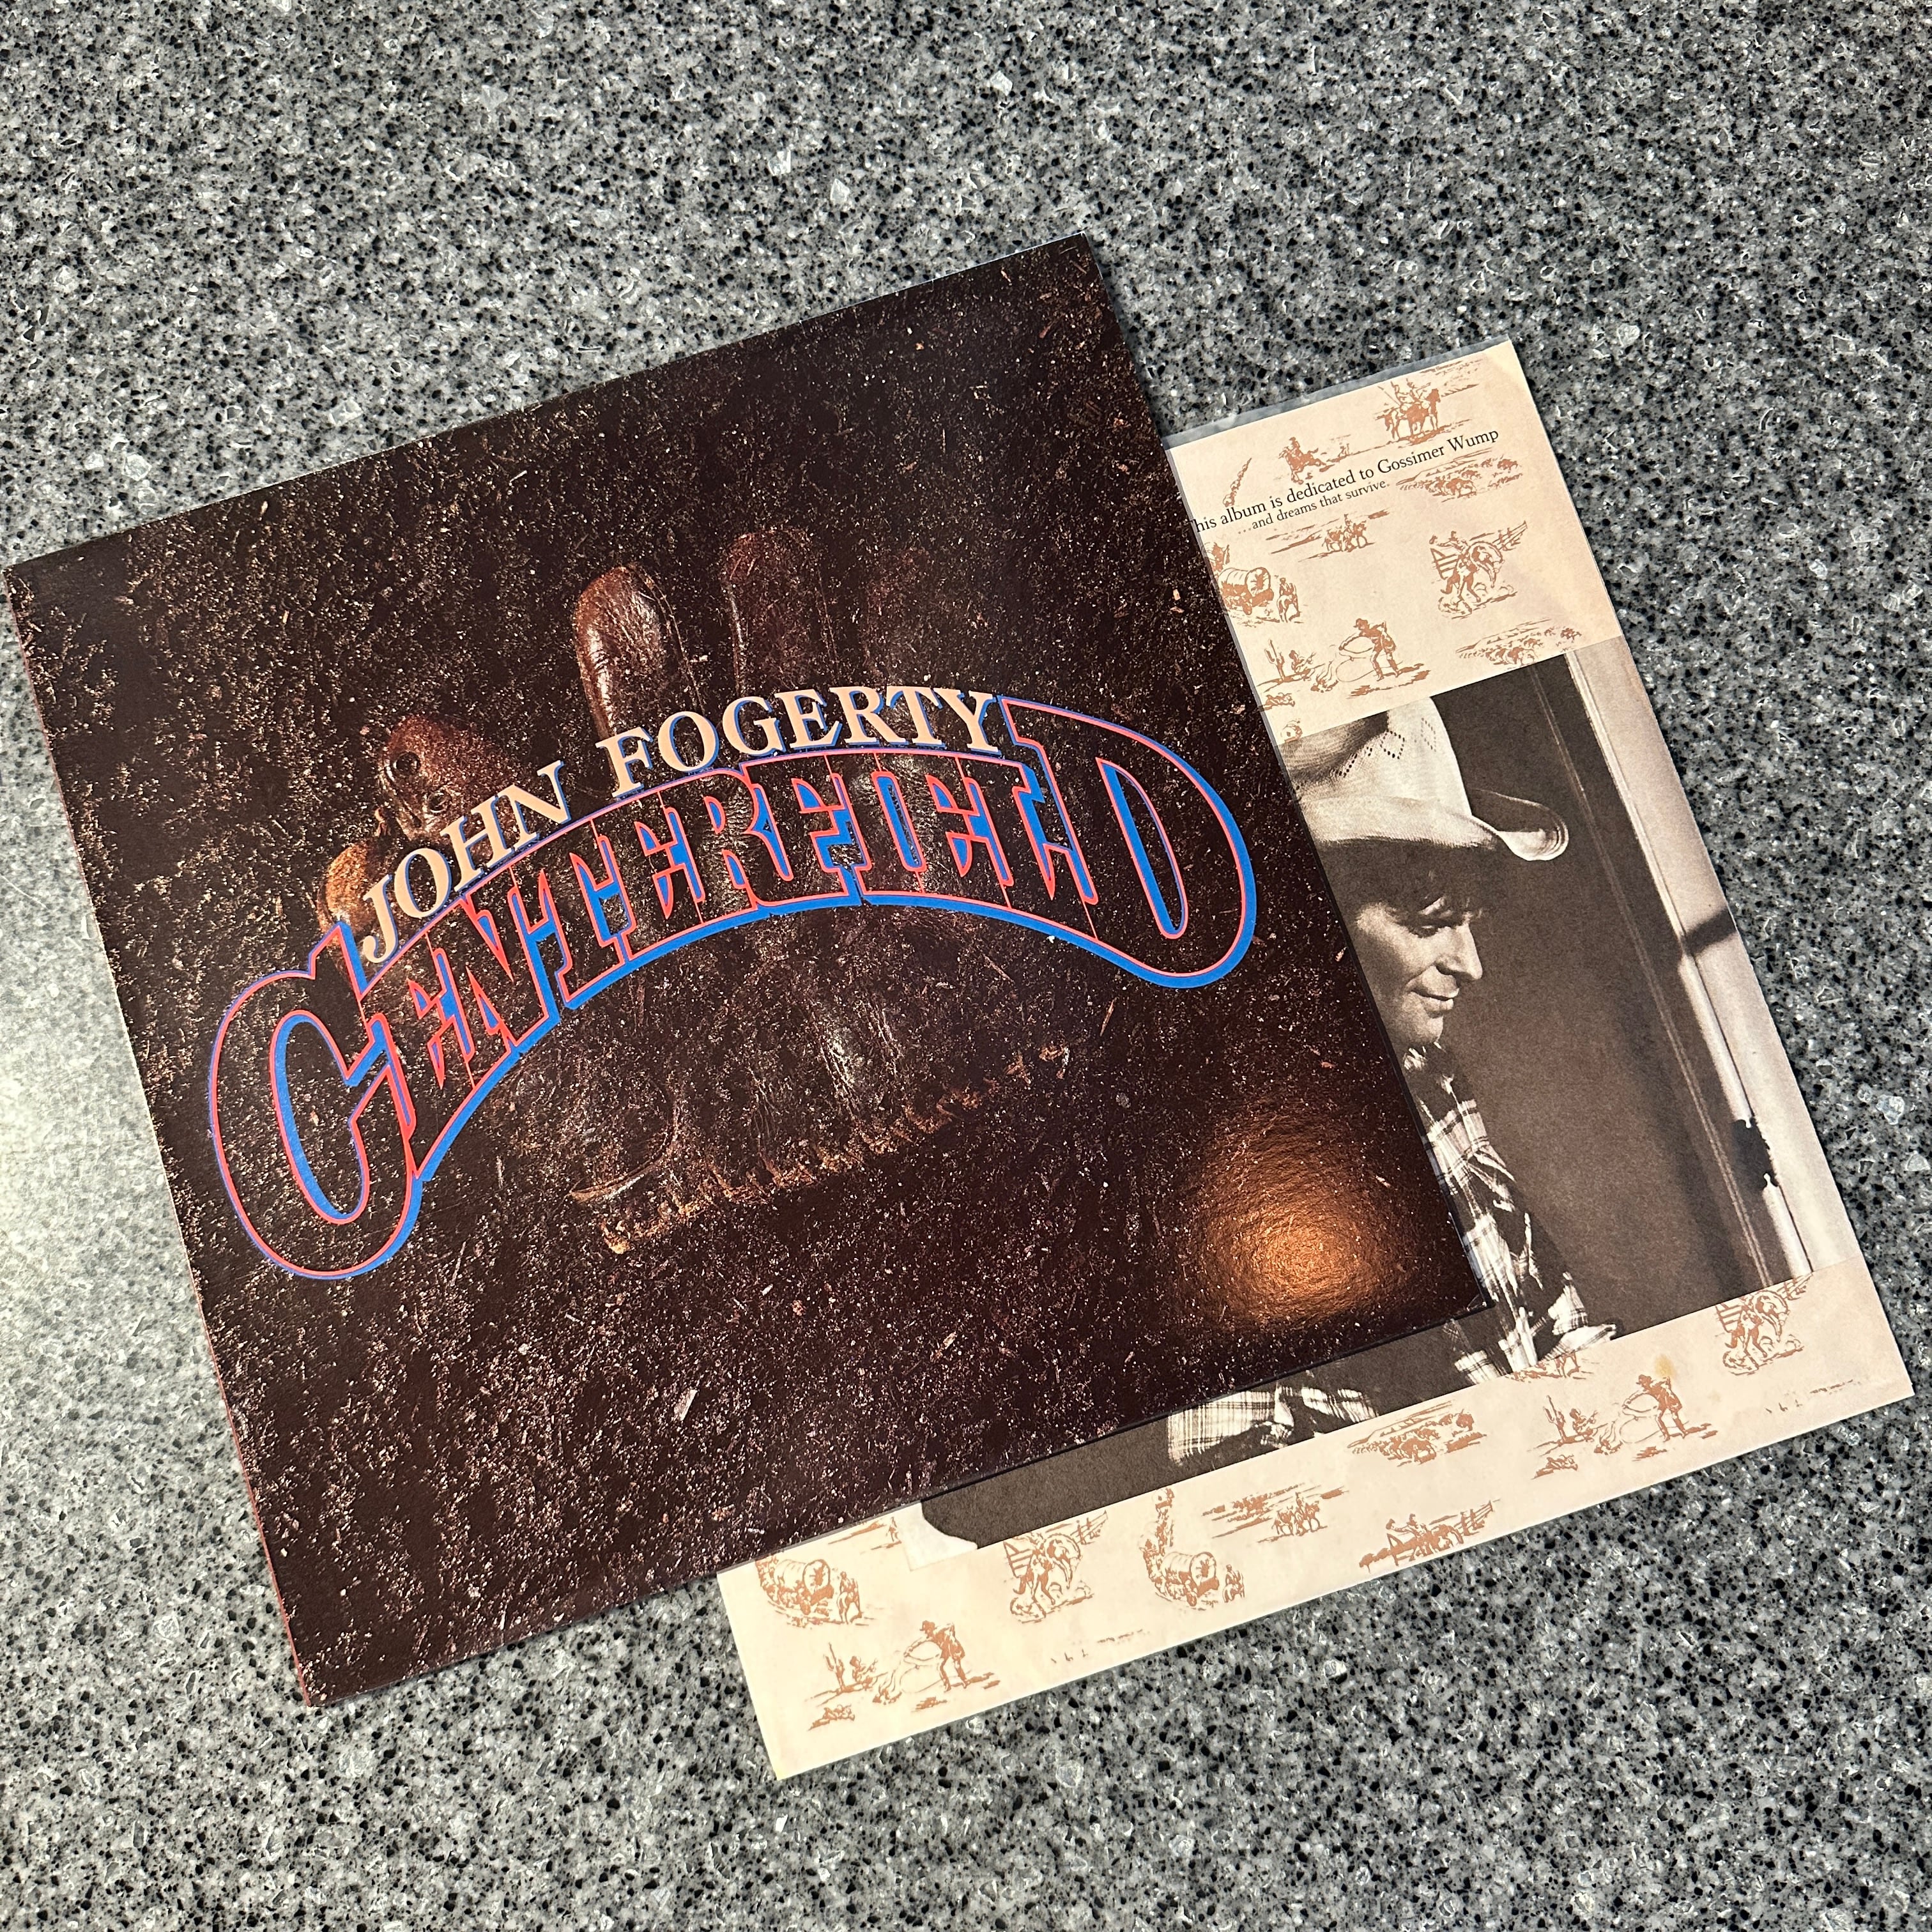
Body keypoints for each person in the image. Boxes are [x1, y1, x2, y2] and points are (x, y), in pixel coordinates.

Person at [1166, 699, 1614, 1469]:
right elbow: (1235, 1465)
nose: (1471, 965)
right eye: (1429, 923)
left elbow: (1543, 1307)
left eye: (1469, 921)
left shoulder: (1430, 1074)